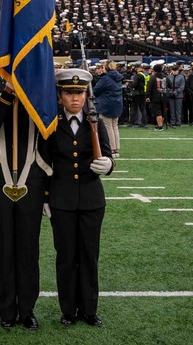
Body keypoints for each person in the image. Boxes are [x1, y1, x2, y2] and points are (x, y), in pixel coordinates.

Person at [42, 68, 113, 328]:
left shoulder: (96, 121)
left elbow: (106, 154)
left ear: (86, 95)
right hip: (61, 202)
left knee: (89, 256)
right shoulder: (51, 124)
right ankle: (68, 310)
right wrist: (45, 198)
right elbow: (45, 163)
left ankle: (89, 310)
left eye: (80, 93)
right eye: (70, 93)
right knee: (66, 257)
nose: (75, 99)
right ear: (60, 95)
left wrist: (109, 165)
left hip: (92, 201)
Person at [0, 82, 49, 330]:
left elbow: (47, 135)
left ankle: (28, 310)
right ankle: (7, 310)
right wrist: (9, 93)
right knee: (5, 246)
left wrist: (48, 191)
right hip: (0, 178)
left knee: (29, 248)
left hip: (33, 177)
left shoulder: (38, 98)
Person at [93, 61, 123, 156]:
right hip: (117, 103)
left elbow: (96, 90)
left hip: (106, 104)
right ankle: (116, 148)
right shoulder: (118, 77)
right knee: (115, 126)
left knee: (108, 127)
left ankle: (112, 147)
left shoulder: (105, 78)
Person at [165, 63, 185, 128]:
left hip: (178, 95)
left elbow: (182, 87)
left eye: (176, 70)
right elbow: (167, 86)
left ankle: (178, 121)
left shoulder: (181, 77)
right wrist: (170, 92)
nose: (174, 71)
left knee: (178, 109)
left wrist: (176, 92)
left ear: (178, 70)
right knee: (172, 109)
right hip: (170, 94)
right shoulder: (168, 77)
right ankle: (172, 121)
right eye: (173, 70)